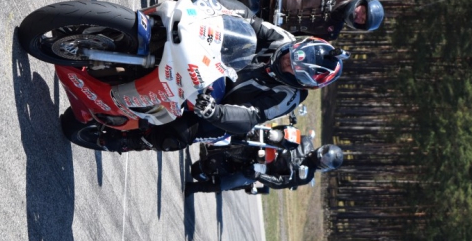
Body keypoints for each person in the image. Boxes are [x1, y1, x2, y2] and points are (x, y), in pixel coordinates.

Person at [98, 34, 347, 153]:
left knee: (177, 135)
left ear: (304, 83)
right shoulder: (281, 39)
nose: (287, 63)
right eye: (293, 57)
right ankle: (123, 38)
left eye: (295, 70)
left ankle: (131, 140)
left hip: (221, 108)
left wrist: (215, 113)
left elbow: (254, 115)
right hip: (214, 67)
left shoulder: (290, 96)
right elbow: (248, 21)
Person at [187, 126, 344, 194]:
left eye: (325, 159)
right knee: (246, 129)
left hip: (264, 168)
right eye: (325, 153)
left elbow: (281, 182)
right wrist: (284, 129)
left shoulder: (306, 175)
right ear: (323, 147)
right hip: (265, 146)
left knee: (238, 179)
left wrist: (259, 175)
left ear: (325, 166)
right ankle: (206, 134)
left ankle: (195, 188)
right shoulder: (306, 141)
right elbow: (286, 132)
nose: (322, 156)